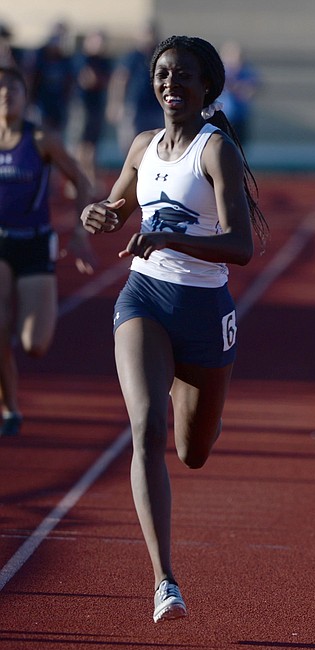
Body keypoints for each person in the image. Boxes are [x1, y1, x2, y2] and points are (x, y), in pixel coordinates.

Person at [80, 35, 268, 623]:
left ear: (207, 87)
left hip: (204, 312)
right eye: (163, 74)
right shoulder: (142, 146)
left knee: (193, 451)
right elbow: (117, 207)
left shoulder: (216, 152)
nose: (170, 85)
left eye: (183, 76)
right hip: (144, 297)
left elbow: (240, 245)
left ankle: (204, 408)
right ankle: (165, 580)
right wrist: (104, 214)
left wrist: (168, 235)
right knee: (146, 427)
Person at [0, 65, 96, 437]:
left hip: (35, 243)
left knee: (34, 345)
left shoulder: (41, 138)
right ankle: (10, 408)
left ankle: (40, 306)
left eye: (13, 89)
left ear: (25, 97)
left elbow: (82, 183)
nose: (6, 94)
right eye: (1, 89)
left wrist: (80, 235)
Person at [106, 22, 163, 156]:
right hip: (134, 106)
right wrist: (116, 103)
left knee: (156, 142)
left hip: (155, 106)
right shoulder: (132, 57)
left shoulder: (159, 55)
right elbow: (120, 80)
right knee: (131, 143)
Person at [74, 30, 113, 195]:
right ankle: (78, 181)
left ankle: (90, 181)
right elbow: (87, 80)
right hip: (83, 106)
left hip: (97, 106)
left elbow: (105, 81)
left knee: (93, 146)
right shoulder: (82, 59)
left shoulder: (104, 61)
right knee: (82, 146)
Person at [28, 22, 74, 136]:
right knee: (40, 136)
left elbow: (69, 81)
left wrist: (66, 101)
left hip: (58, 105)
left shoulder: (65, 58)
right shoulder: (39, 55)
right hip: (41, 103)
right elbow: (31, 78)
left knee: (56, 137)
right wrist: (30, 101)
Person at [217, 41, 260, 146]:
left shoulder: (246, 72)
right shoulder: (220, 72)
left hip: (240, 117)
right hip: (223, 117)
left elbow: (253, 89)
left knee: (240, 147)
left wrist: (242, 88)